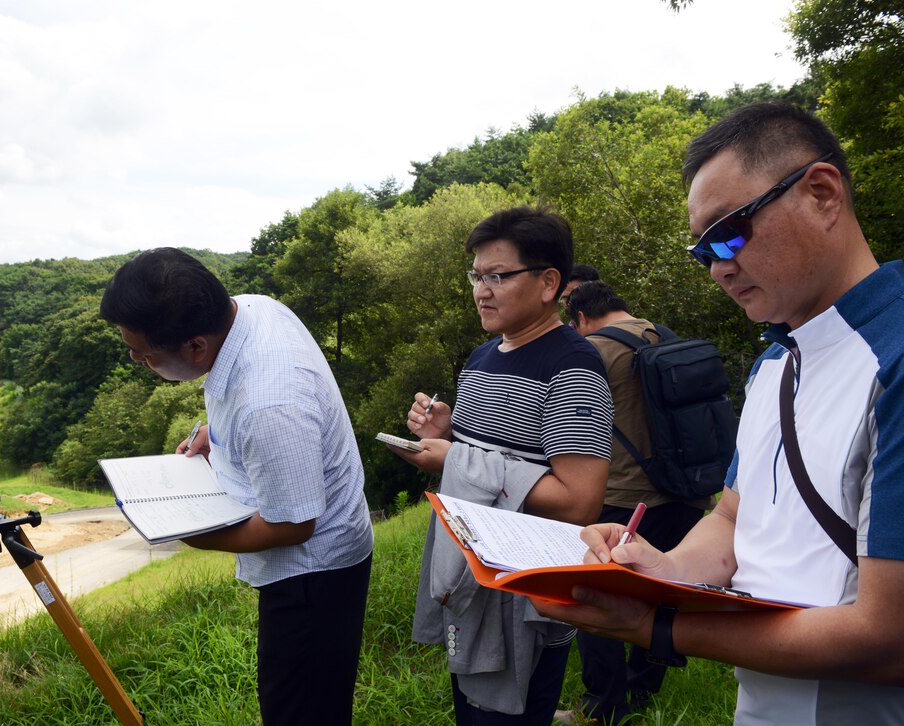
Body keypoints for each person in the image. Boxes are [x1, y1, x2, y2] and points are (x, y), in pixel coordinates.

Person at [531, 101, 904, 725]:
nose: (718, 269)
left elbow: (888, 637)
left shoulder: (893, 361)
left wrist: (657, 624)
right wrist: (661, 567)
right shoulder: (772, 366)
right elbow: (734, 515)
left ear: (821, 193)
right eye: (701, 251)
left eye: (729, 233)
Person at [99, 248, 374, 726]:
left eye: (143, 355)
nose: (137, 360)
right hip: (307, 552)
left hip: (313, 574)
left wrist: (190, 532)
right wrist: (217, 435)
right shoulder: (246, 310)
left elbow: (292, 526)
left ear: (196, 348)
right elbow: (248, 413)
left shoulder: (270, 399)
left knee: (301, 708)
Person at [392, 206, 614, 724]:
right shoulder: (483, 356)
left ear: (548, 283)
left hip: (525, 593)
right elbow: (486, 457)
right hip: (472, 577)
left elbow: (579, 500)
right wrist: (443, 435)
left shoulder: (572, 368)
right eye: (476, 275)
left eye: (497, 276)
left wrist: (459, 459)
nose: (481, 290)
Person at [557, 280, 712, 725]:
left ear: (581, 318)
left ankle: (602, 706)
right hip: (689, 494)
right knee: (660, 593)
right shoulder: (665, 337)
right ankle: (642, 688)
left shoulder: (593, 354)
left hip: (625, 498)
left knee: (594, 598)